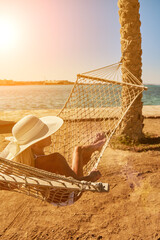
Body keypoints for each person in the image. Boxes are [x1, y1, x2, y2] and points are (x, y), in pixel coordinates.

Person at [0, 115, 106, 205]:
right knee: (78, 150)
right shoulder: (55, 159)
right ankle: (94, 147)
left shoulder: (24, 160)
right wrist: (92, 177)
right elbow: (77, 185)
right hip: (68, 196)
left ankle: (93, 148)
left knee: (77, 153)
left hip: (52, 195)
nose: (49, 134)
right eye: (44, 134)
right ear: (35, 143)